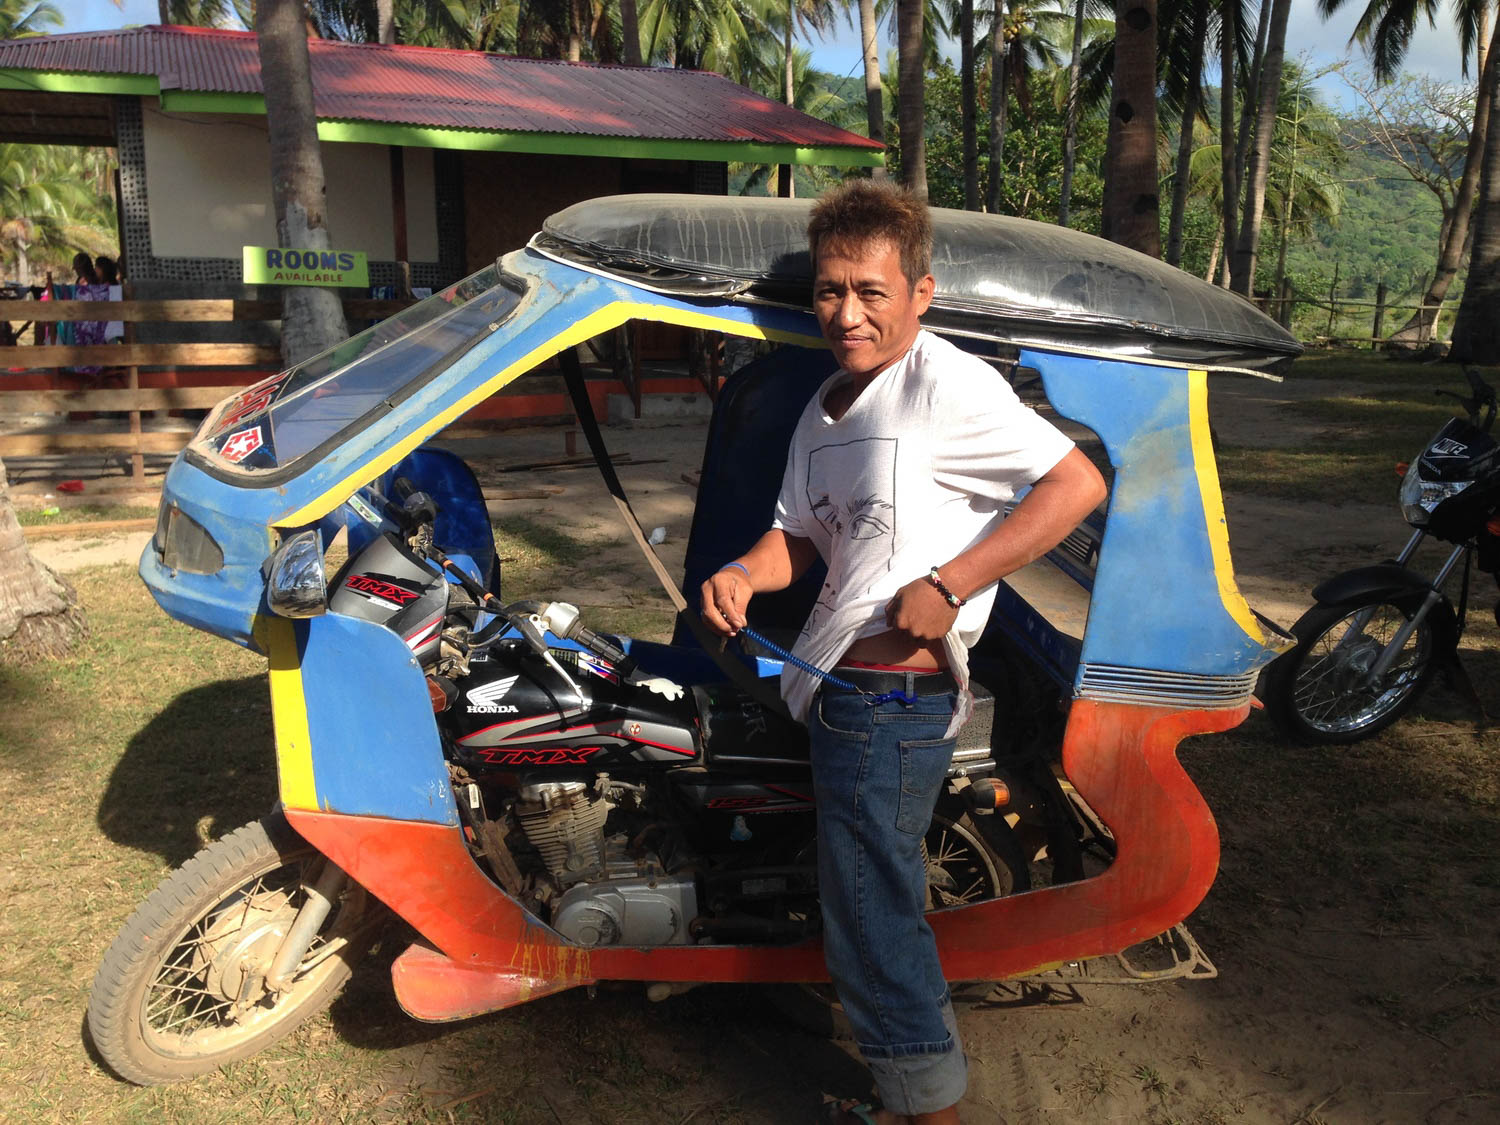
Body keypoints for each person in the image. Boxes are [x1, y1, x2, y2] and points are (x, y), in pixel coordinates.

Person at [699, 181, 1107, 1125]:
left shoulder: (946, 383)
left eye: (871, 292)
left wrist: (956, 582)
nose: (848, 313)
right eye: (831, 292)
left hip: (894, 701)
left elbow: (1073, 482)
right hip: (837, 685)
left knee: (874, 913)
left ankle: (929, 1111)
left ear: (918, 292)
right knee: (856, 899)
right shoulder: (827, 405)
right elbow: (800, 533)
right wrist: (746, 574)